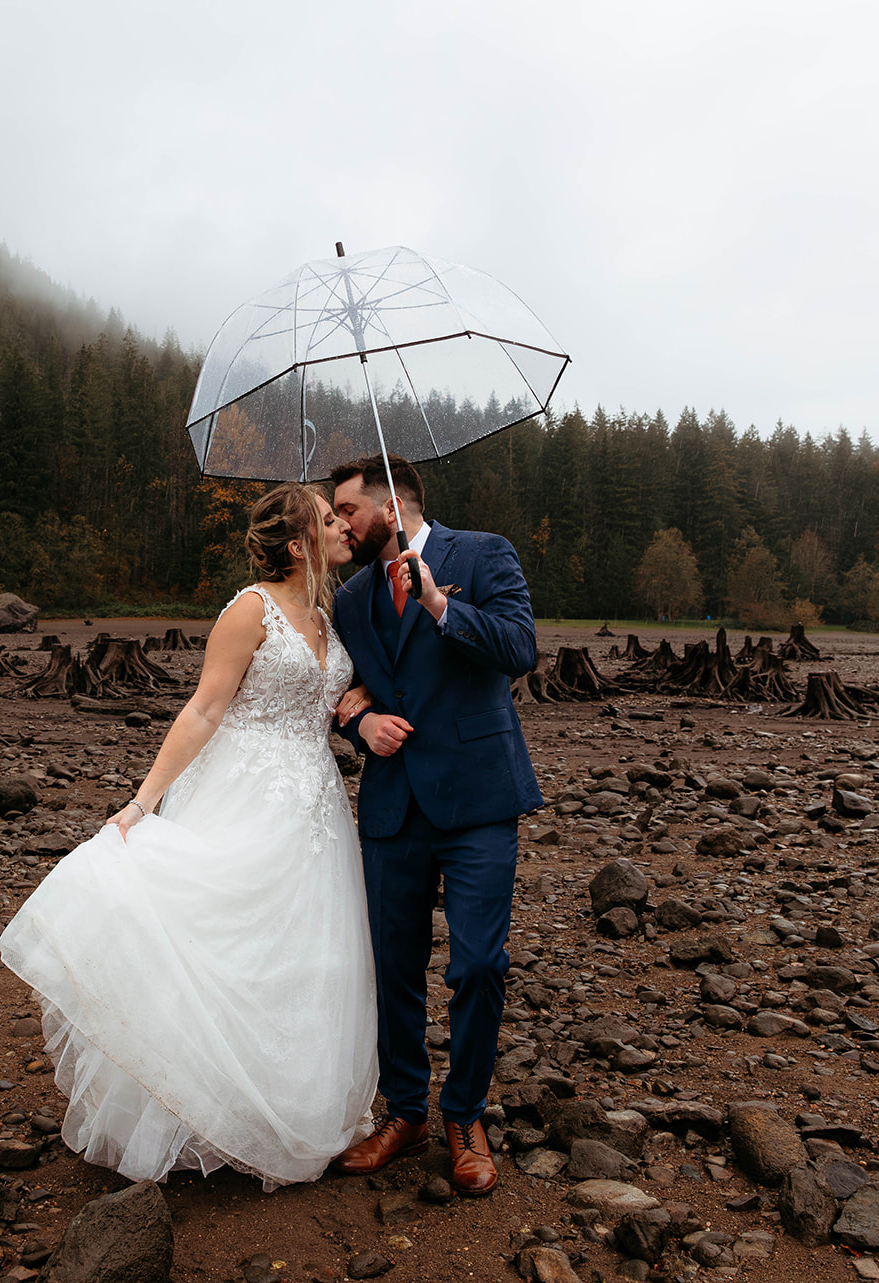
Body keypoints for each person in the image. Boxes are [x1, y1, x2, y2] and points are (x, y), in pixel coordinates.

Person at [0, 483, 379, 1191]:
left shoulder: (330, 611)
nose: (341, 527)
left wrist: (354, 703)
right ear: (297, 544)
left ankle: (282, 1109)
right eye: (327, 520)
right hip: (245, 790)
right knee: (225, 938)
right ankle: (205, 1110)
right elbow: (204, 709)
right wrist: (143, 802)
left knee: (307, 957)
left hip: (315, 807)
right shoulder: (248, 609)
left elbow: (324, 699)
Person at [327, 453, 543, 1196]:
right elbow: (342, 686)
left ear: (390, 503)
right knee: (392, 967)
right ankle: (407, 1111)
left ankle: (465, 1114)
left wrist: (441, 607)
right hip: (393, 804)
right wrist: (361, 724)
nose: (340, 524)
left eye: (348, 510)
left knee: (479, 963)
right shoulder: (351, 597)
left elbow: (521, 648)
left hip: (480, 798)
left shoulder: (483, 554)